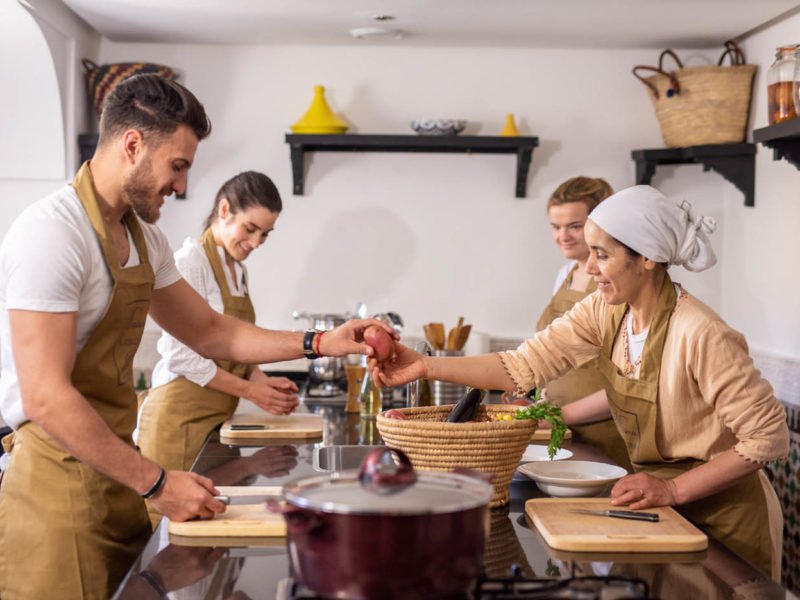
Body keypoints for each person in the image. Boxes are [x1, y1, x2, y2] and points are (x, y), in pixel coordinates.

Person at [0, 74, 394, 600]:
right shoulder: (52, 232)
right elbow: (46, 397)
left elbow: (212, 333)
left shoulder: (147, 240)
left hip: (117, 474)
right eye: (178, 166)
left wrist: (322, 341)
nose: (182, 186)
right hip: (55, 484)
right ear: (133, 145)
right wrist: (159, 483)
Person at [371, 185, 789, 579]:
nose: (589, 268)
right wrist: (423, 366)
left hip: (725, 518)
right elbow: (521, 365)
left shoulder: (701, 333)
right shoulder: (606, 312)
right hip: (659, 508)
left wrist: (675, 490)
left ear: (645, 258)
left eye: (601, 255)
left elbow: (768, 439)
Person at [136, 171, 298, 524]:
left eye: (265, 235)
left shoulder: (237, 272)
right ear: (224, 210)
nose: (256, 242)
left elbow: (233, 344)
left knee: (210, 521)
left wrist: (260, 378)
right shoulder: (190, 263)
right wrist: (251, 392)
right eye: (250, 229)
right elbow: (182, 356)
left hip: (214, 421)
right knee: (170, 535)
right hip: (176, 421)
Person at [535, 176, 630, 470]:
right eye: (556, 226)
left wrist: (560, 415)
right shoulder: (564, 273)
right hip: (564, 431)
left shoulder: (617, 283)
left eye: (574, 226)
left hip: (606, 433)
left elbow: (629, 383)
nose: (563, 235)